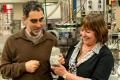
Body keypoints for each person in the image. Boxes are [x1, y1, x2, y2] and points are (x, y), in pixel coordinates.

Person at [0, 1, 57, 80]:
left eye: (41, 20)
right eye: (34, 21)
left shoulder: (51, 40)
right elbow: (3, 70)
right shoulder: (12, 41)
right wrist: (24, 67)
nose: (38, 25)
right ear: (24, 19)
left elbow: (55, 71)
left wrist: (58, 65)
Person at [52, 12, 114, 80]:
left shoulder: (105, 55)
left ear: (99, 33)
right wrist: (60, 63)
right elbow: (66, 69)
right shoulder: (75, 46)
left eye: (87, 32)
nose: (83, 34)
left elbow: (65, 74)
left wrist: (66, 74)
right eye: (82, 30)